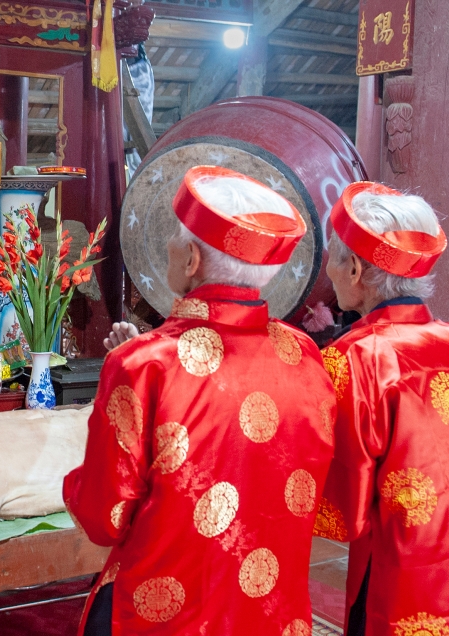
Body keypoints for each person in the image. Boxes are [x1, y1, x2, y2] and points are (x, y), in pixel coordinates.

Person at [65, 165, 336, 635]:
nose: (168, 245)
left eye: (174, 237)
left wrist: (73, 483)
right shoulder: (305, 355)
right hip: (271, 612)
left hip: (166, 616)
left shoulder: (143, 365)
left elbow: (104, 519)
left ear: (191, 259)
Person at [314, 182, 449, 635]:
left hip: (414, 578)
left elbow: (340, 508)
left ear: (354, 270)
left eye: (333, 256)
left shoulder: (356, 358)